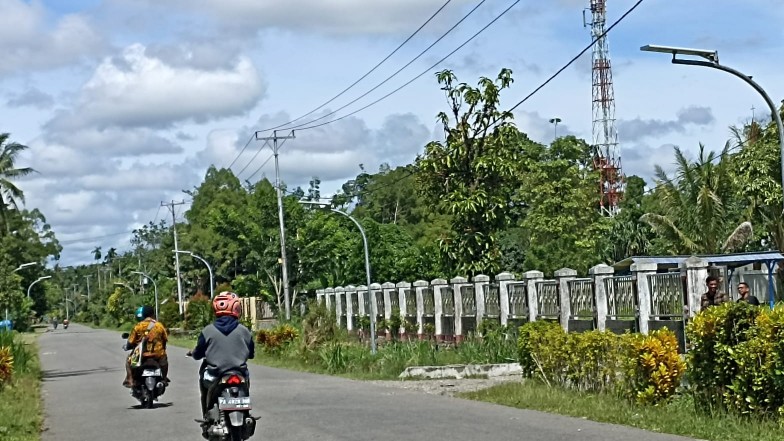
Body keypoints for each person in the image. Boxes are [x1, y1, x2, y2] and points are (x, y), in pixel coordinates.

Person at [187, 291, 254, 416]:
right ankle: (246, 413)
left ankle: (207, 413)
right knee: (246, 381)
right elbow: (251, 353)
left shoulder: (207, 331)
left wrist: (195, 354)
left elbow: (198, 353)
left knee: (203, 382)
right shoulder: (244, 331)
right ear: (236, 308)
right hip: (240, 374)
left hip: (214, 374)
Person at [123, 305, 169, 388]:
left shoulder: (138, 327)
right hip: (157, 355)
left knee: (128, 361)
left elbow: (130, 342)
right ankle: (164, 379)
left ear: (143, 315)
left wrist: (129, 346)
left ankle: (130, 380)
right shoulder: (159, 326)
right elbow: (164, 340)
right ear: (153, 314)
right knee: (164, 361)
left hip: (141, 355)